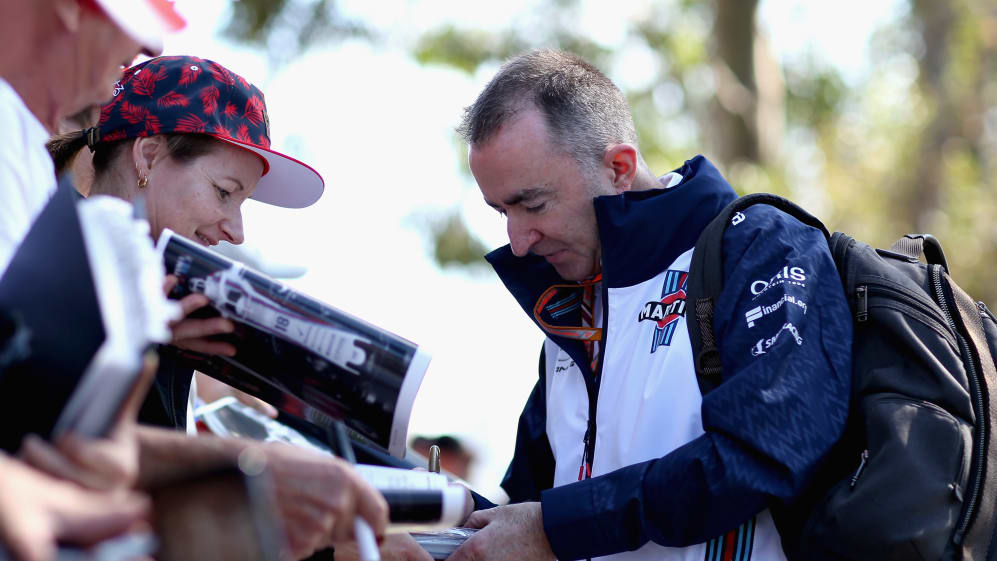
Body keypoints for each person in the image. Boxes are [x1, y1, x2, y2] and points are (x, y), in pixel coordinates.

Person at [444, 49, 853, 561]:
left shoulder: (761, 247)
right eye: (501, 210)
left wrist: (560, 526)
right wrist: (416, 499)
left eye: (532, 204)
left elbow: (769, 450)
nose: (518, 240)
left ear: (619, 167)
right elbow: (526, 514)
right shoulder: (572, 311)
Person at [47, 55, 387, 560]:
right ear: (148, 156)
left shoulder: (161, 300)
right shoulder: (39, 255)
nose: (236, 229)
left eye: (242, 202)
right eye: (224, 192)